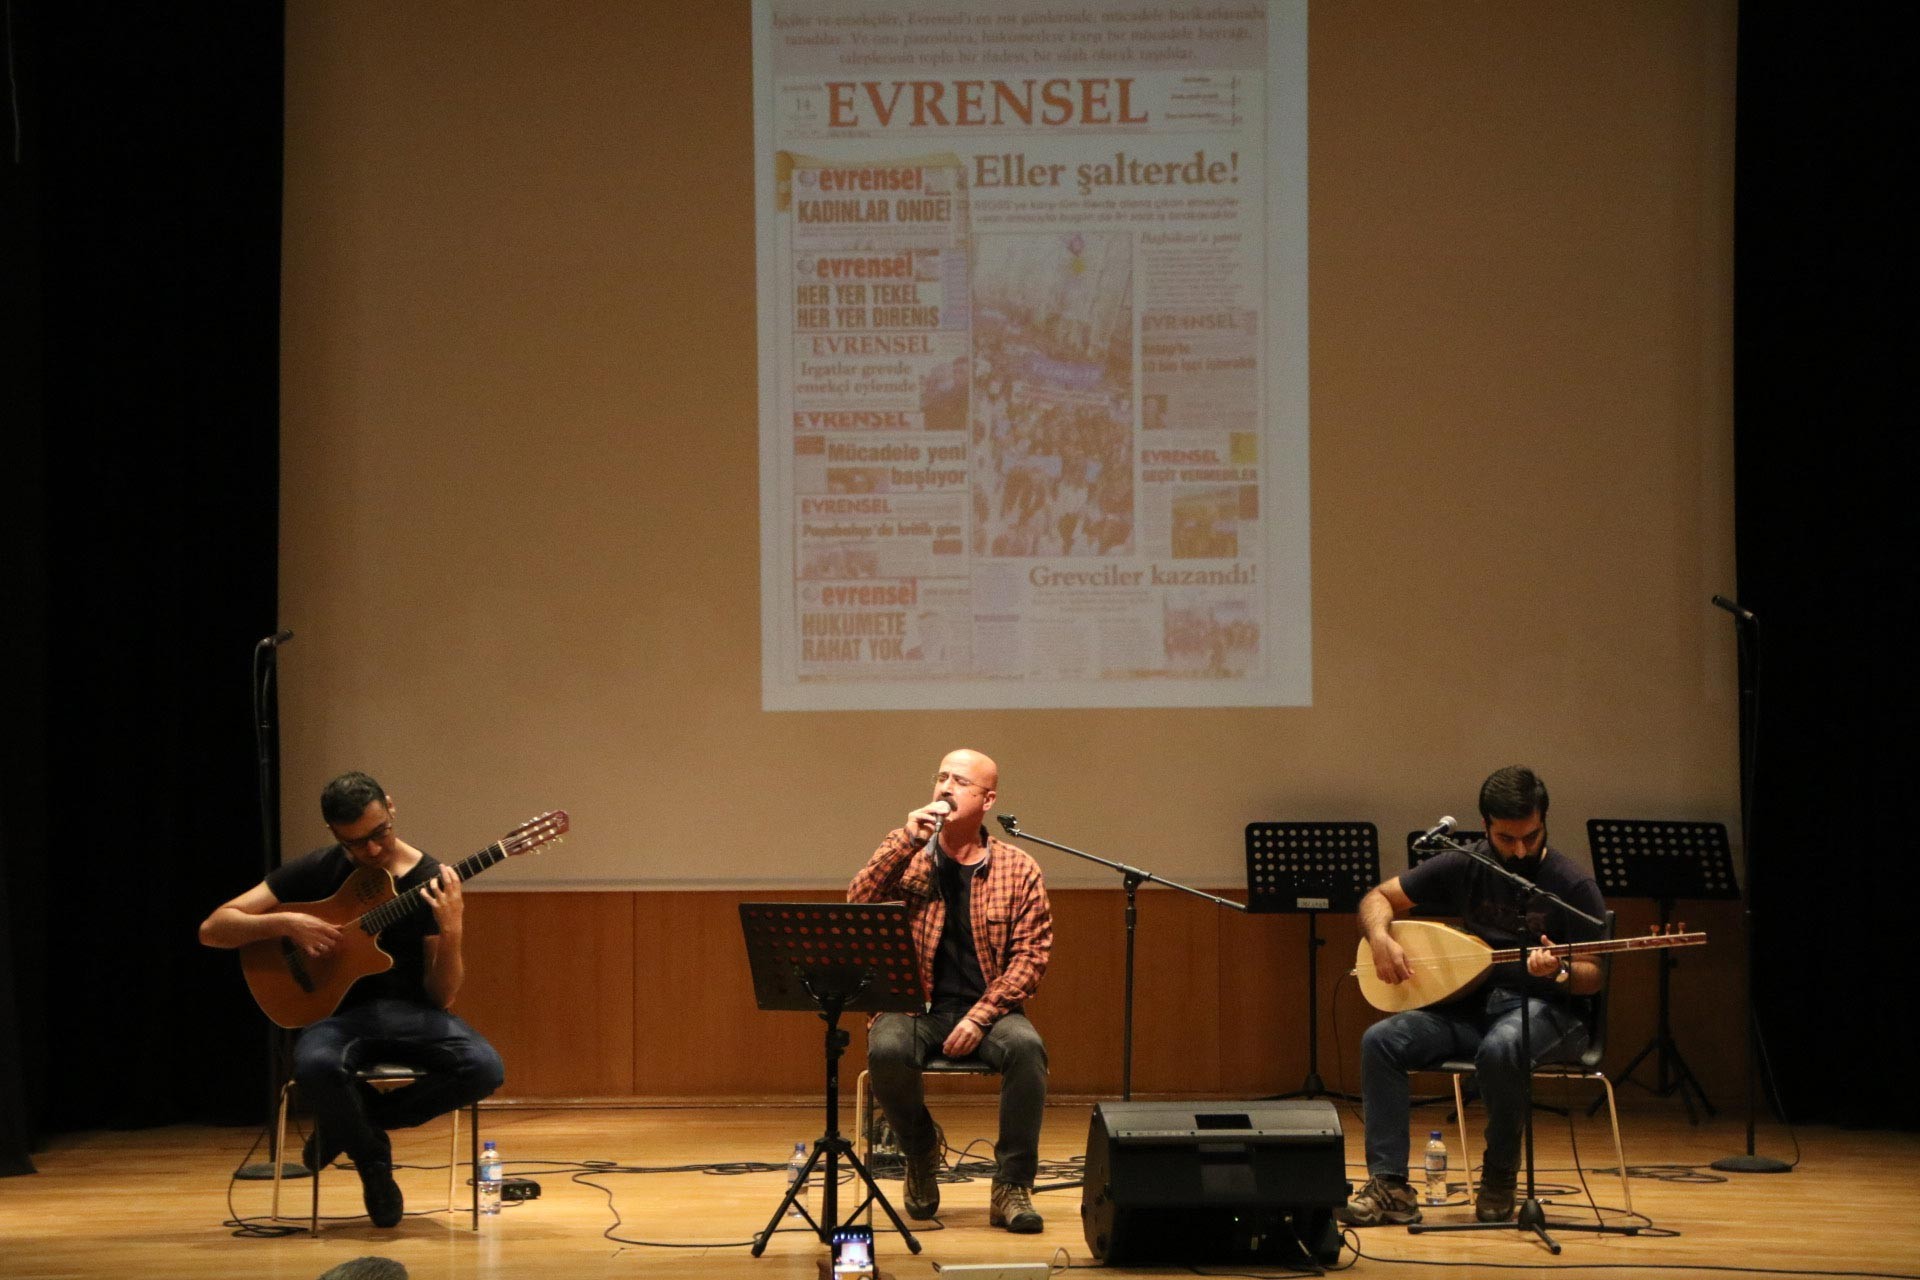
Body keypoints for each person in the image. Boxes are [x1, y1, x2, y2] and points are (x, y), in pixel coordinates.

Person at [199, 772, 505, 1228]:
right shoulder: (318, 869)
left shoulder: (427, 877)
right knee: (315, 1066)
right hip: (336, 1017)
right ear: (336, 835)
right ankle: (373, 1163)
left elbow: (441, 996)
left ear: (391, 807)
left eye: (380, 832)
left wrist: (454, 928)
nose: (374, 849)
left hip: (411, 1014)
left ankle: (351, 1125)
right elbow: (213, 929)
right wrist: (286, 924)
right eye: (357, 842)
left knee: (485, 1068)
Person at [1339, 766, 1607, 1227]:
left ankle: (1500, 1175)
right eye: (1507, 839)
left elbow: (1594, 977)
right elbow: (1377, 898)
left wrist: (1561, 970)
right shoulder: (1467, 864)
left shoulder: (1571, 885)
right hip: (1469, 1007)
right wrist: (1380, 938)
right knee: (1381, 1041)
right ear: (1485, 827)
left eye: (1531, 836)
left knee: (1502, 1046)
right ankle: (1391, 1187)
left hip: (1552, 1013)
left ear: (1544, 822)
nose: (1520, 850)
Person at [848, 749, 1053, 1234]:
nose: (945, 788)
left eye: (960, 781)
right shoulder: (909, 854)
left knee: (1027, 1049)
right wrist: (904, 843)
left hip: (990, 1010)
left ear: (987, 799)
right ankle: (919, 1151)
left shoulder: (1018, 868)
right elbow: (858, 903)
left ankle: (1011, 1184)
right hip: (915, 1007)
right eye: (941, 777)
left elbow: (1031, 957)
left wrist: (980, 1016)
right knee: (887, 1046)